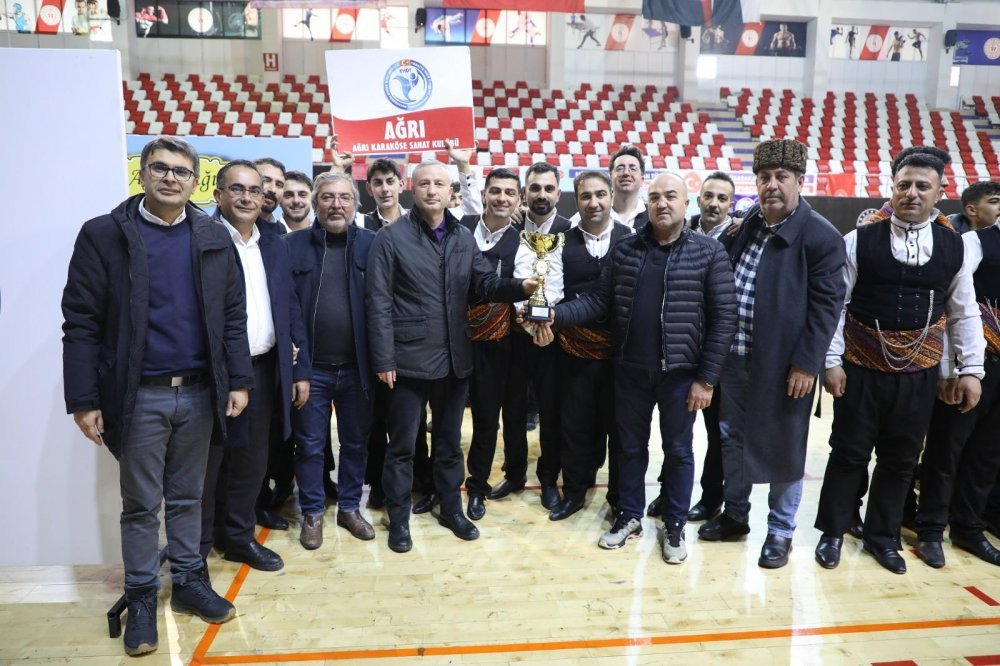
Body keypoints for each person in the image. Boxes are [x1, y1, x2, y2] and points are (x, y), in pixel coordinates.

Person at [62, 137, 250, 656]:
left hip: (200, 393)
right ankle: (142, 595)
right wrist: (83, 398)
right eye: (160, 168)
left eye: (182, 171)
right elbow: (80, 322)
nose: (171, 178)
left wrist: (238, 380)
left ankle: (188, 581)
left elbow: (233, 317)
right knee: (141, 505)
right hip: (138, 397)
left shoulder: (213, 235)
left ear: (195, 182)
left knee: (189, 497)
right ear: (142, 174)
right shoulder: (104, 234)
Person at [541, 171, 737, 563]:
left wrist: (706, 379)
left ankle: (675, 524)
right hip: (630, 370)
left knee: (678, 451)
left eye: (671, 196)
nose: (662, 203)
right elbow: (598, 301)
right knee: (629, 448)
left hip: (681, 375)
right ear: (647, 203)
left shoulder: (709, 252)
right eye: (655, 197)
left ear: (686, 204)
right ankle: (629, 515)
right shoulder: (626, 249)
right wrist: (553, 315)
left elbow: (724, 319)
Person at [815, 153, 985, 574]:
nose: (912, 193)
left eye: (922, 186)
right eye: (904, 185)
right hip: (859, 366)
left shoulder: (954, 247)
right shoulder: (858, 239)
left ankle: (883, 537)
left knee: (901, 458)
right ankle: (832, 532)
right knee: (848, 452)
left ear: (939, 194)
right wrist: (831, 361)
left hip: (919, 373)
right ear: (892, 188)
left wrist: (970, 370)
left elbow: (963, 313)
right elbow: (836, 305)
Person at [366, 161, 537, 553]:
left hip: (455, 359)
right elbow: (377, 303)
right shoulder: (390, 238)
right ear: (412, 189)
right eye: (424, 183)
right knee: (402, 448)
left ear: (450, 191)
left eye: (439, 184)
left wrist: (521, 287)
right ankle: (398, 517)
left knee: (448, 444)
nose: (432, 190)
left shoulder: (462, 236)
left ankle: (450, 508)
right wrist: (384, 359)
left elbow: (484, 283)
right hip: (407, 361)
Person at [698, 139, 847, 571]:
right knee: (732, 437)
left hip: (786, 367)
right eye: (764, 177)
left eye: (782, 177)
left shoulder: (821, 236)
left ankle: (780, 531)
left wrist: (807, 363)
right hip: (735, 358)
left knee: (785, 446)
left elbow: (827, 307)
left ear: (799, 181)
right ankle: (736, 515)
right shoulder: (748, 222)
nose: (772, 185)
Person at [200, 160, 310, 571]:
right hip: (215, 373)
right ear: (218, 195)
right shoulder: (202, 240)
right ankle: (198, 547)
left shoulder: (274, 243)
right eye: (237, 189)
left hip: (264, 368)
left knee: (251, 460)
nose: (247, 198)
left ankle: (237, 536)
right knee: (210, 463)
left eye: (254, 190)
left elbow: (290, 307)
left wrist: (299, 369)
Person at [287, 172, 377, 549]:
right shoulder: (291, 246)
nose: (336, 205)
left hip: (359, 369)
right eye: (327, 197)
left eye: (344, 197)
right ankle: (312, 512)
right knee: (309, 445)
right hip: (312, 371)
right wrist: (299, 368)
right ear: (315, 203)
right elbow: (287, 308)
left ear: (355, 204)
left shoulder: (373, 244)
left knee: (356, 443)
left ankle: (350, 507)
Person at [914, 181, 1000, 568]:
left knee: (988, 454)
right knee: (946, 450)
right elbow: (954, 309)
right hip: (974, 366)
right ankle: (931, 529)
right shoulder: (974, 242)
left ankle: (969, 527)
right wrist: (953, 367)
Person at [540, 171, 633, 522]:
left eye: (600, 194)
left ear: (611, 196)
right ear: (575, 200)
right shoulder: (559, 241)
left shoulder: (632, 239)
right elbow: (550, 292)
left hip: (620, 356)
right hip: (573, 350)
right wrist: (540, 317)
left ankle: (619, 497)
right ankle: (575, 492)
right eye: (585, 196)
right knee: (576, 426)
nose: (593, 202)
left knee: (621, 430)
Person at [649, 172, 737, 521]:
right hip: (678, 355)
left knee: (716, 434)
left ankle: (712, 498)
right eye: (709, 196)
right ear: (695, 200)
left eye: (722, 198)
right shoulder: (677, 230)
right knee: (675, 437)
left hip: (718, 356)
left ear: (732, 205)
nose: (714, 203)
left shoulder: (741, 235)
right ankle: (667, 494)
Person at [497, 162, 573, 510]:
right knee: (512, 409)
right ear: (524, 193)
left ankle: (548, 478)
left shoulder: (570, 231)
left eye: (548, 188)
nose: (542, 194)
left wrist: (555, 320)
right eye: (535, 188)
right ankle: (514, 473)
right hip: (513, 335)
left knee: (551, 411)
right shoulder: (511, 229)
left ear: (558, 193)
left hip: (554, 337)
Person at [461, 168, 525, 520]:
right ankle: (441, 484)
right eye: (495, 191)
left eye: (509, 193)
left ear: (518, 200)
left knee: (487, 418)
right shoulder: (461, 227)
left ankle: (478, 487)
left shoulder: (524, 242)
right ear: (483, 194)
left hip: (497, 341)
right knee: (444, 419)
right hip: (452, 336)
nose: (502, 198)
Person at [570, 145, 648, 230]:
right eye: (620, 168)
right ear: (610, 177)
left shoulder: (653, 216)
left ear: (642, 179)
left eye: (633, 168)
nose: (626, 173)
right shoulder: (580, 220)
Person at [253, 157, 287, 234]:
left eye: (279, 184)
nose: (273, 190)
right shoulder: (228, 227)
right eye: (266, 181)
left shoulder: (281, 232)